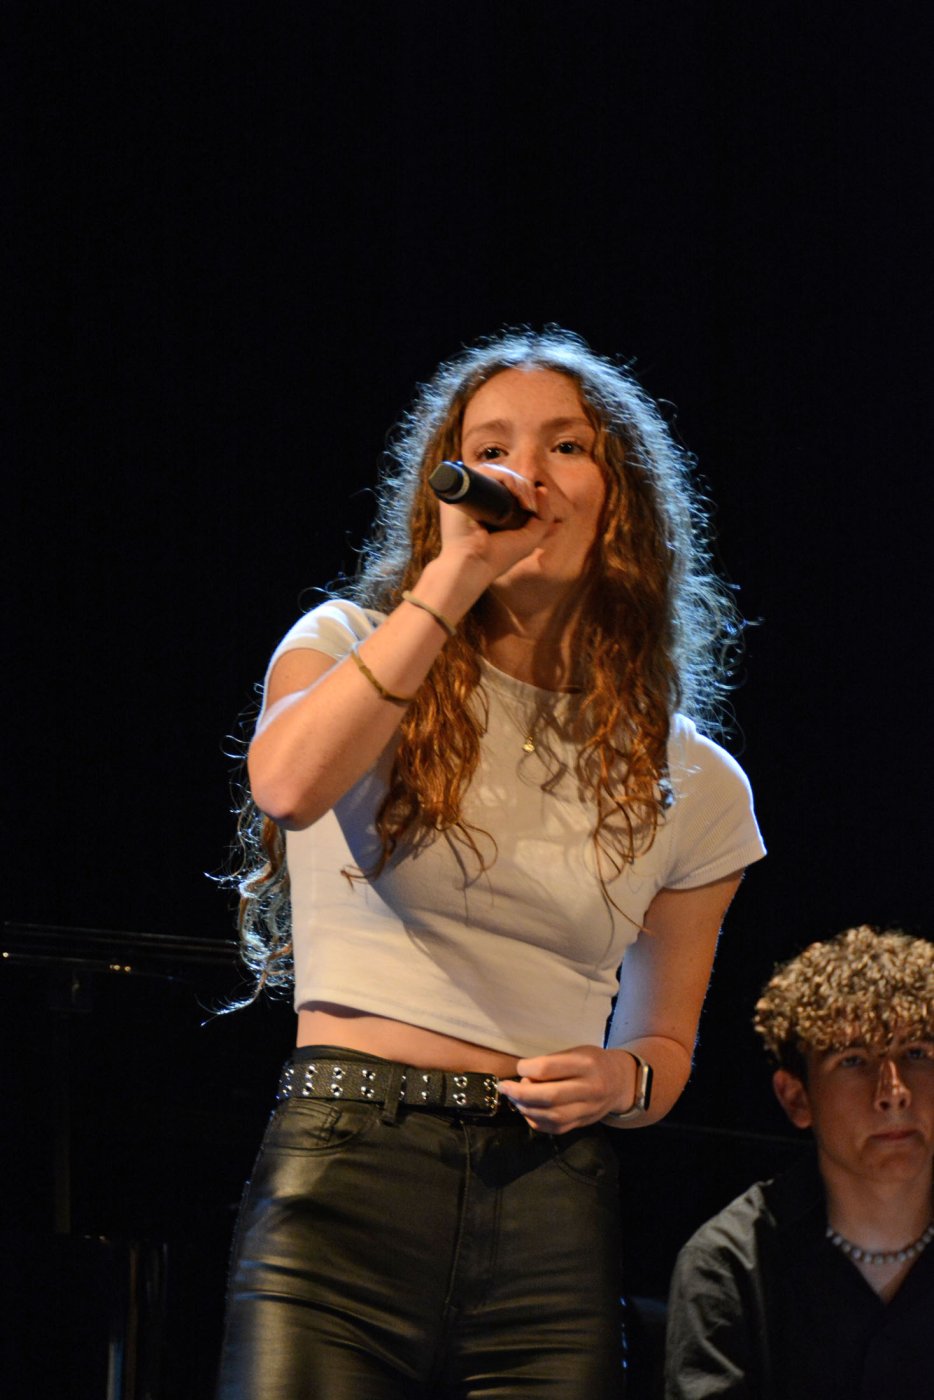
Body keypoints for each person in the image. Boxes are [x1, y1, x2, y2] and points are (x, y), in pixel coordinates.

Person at [215, 326, 766, 1399]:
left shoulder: (694, 778)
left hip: (547, 1205)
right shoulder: (347, 644)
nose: (526, 475)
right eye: (493, 449)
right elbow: (286, 784)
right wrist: (456, 574)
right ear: (451, 486)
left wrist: (622, 1078)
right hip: (347, 1173)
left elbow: (662, 1045)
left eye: (565, 445)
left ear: (620, 498)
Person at [665, 924, 934, 1399]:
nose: (893, 1092)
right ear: (796, 1098)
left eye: (916, 1053)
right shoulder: (729, 1264)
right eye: (854, 1060)